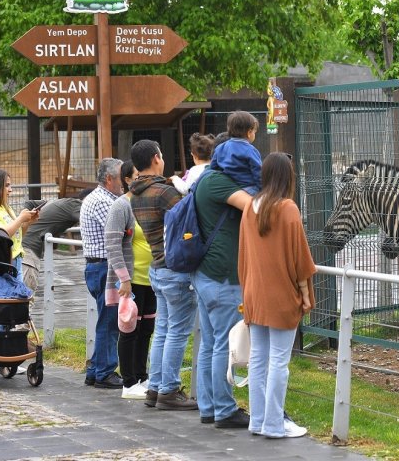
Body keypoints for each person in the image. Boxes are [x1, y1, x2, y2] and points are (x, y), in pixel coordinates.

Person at [239, 152, 317, 438]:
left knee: (258, 359)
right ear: (288, 175)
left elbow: (244, 256)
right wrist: (305, 293)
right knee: (279, 362)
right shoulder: (287, 208)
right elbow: (299, 259)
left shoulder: (250, 207)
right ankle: (274, 423)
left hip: (254, 293)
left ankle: (258, 420)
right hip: (281, 295)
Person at [128, 139, 195, 410]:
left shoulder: (136, 193)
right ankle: (168, 389)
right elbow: (189, 216)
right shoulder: (164, 193)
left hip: (156, 268)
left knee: (163, 330)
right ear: (157, 157)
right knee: (177, 332)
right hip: (175, 268)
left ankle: (155, 387)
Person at [192, 132, 253, 429]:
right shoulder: (217, 181)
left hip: (206, 274)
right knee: (222, 345)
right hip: (221, 277)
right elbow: (254, 207)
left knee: (209, 343)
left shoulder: (205, 178)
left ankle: (209, 406)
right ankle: (225, 410)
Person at [105, 161, 156, 399]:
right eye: (137, 176)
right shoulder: (121, 206)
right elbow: (112, 244)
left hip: (151, 278)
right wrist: (123, 278)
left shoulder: (146, 203)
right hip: (132, 280)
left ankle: (141, 376)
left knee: (146, 329)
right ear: (126, 179)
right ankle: (128, 382)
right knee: (129, 329)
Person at [80, 158, 124, 389]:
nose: (124, 181)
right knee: (109, 322)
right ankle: (104, 372)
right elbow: (121, 231)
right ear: (109, 179)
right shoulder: (102, 201)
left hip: (98, 266)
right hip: (104, 266)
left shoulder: (100, 198)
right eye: (121, 176)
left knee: (106, 320)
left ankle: (95, 369)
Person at [20, 189, 91, 295]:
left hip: (21, 244)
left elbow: (29, 203)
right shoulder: (78, 205)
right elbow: (91, 220)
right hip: (30, 248)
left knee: (20, 294)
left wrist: (29, 221)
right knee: (25, 295)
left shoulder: (54, 201)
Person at [209, 111, 262, 195]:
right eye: (254, 132)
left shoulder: (220, 147)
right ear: (249, 133)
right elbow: (258, 173)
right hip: (248, 188)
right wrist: (263, 189)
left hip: (228, 189)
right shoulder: (250, 150)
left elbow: (213, 168)